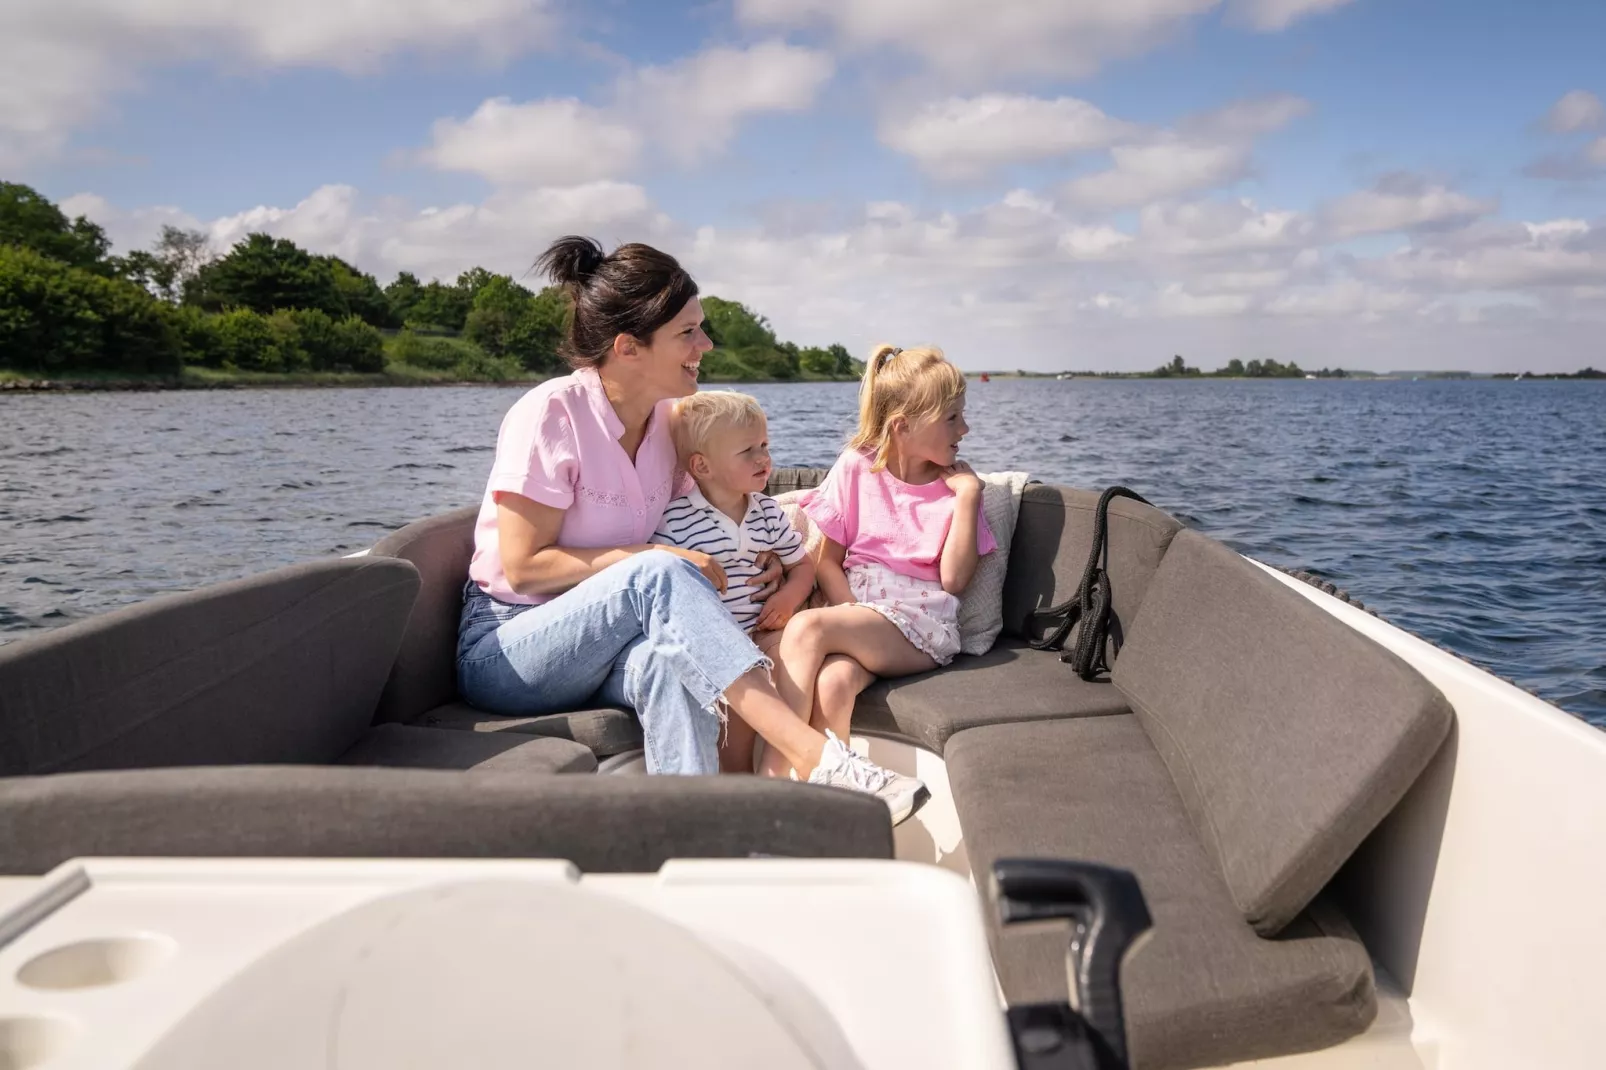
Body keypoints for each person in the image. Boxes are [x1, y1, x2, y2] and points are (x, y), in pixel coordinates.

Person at [455, 235, 912, 812]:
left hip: (617, 644)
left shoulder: (670, 425)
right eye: (688, 333)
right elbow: (522, 568)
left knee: (672, 663)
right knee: (657, 571)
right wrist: (653, 558)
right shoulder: (551, 414)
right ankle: (817, 759)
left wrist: (762, 555)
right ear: (628, 348)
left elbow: (717, 507)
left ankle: (699, 835)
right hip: (509, 645)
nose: (707, 343)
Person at [773, 345, 996, 802]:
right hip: (863, 613)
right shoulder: (856, 467)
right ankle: (832, 807)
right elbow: (827, 562)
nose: (965, 429)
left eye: (962, 416)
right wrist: (851, 615)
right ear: (903, 426)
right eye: (952, 419)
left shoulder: (954, 489)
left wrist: (970, 495)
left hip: (920, 622)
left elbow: (954, 581)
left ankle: (770, 788)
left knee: (808, 626)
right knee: (833, 683)